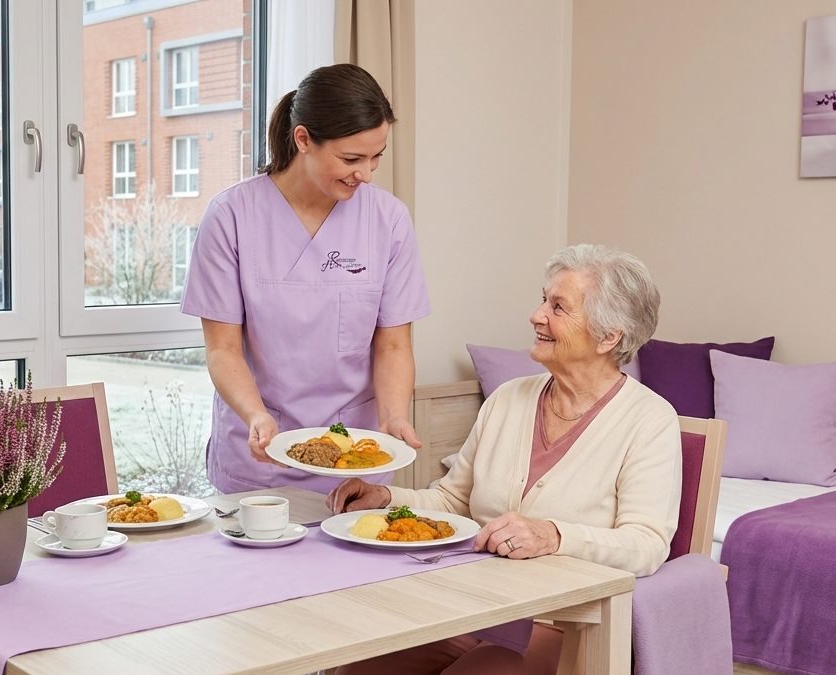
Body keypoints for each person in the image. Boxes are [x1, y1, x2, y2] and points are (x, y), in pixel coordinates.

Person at [327, 244, 682, 674]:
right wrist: (385, 498)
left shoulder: (649, 419)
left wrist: (553, 535)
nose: (536, 315)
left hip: (566, 623)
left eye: (558, 306)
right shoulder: (508, 399)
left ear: (609, 337)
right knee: (353, 667)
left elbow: (646, 546)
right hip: (470, 608)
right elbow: (453, 503)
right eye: (542, 300)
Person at [180, 64, 430, 494]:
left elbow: (392, 343)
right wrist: (256, 415)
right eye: (351, 158)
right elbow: (222, 348)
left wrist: (393, 418)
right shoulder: (232, 217)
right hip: (261, 450)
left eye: (376, 158)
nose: (366, 174)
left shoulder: (388, 219)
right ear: (303, 139)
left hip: (357, 453)